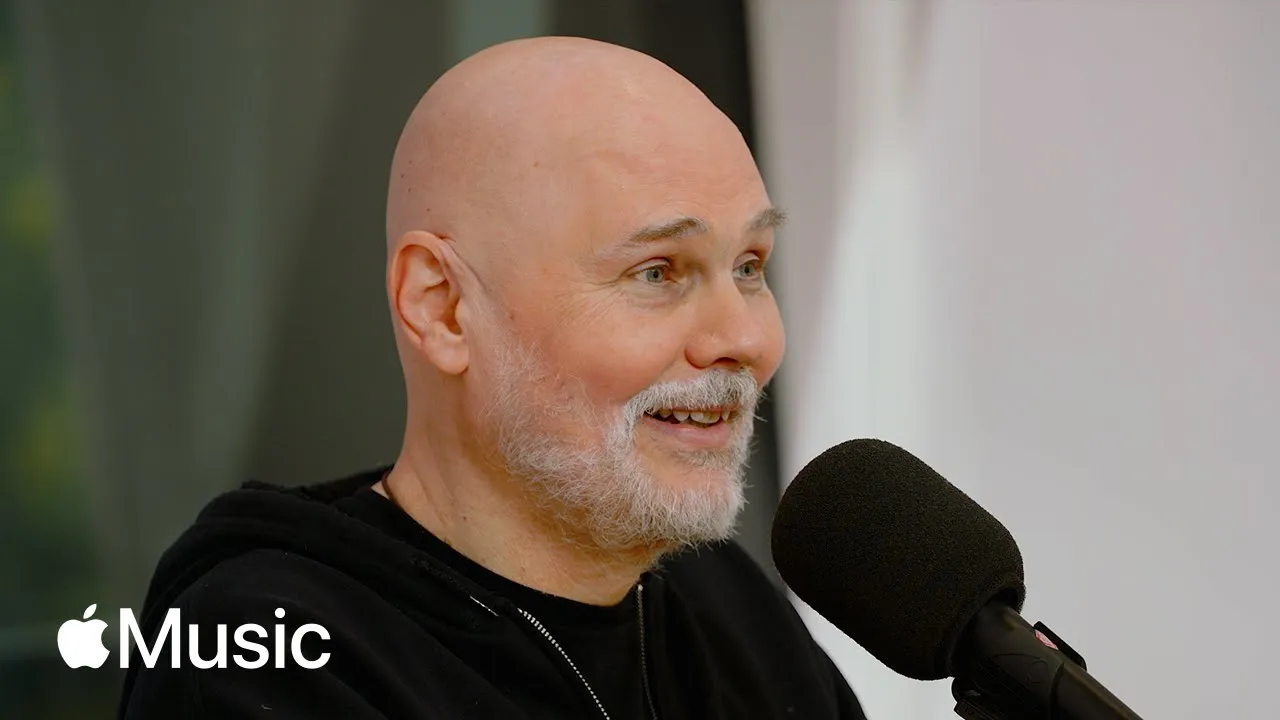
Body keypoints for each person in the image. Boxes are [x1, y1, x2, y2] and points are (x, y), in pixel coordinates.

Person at [119, 36, 866, 719]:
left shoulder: (725, 610)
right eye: (657, 272)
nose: (746, 339)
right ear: (442, 307)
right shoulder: (271, 656)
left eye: (750, 267)